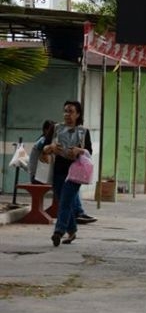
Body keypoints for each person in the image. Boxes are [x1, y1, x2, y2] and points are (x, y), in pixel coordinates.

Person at [43, 101, 93, 246]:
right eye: (65, 111)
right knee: (64, 201)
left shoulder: (84, 132)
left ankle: (58, 231)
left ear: (78, 114)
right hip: (58, 170)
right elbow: (44, 147)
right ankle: (72, 230)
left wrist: (79, 151)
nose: (67, 114)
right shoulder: (56, 128)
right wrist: (51, 147)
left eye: (71, 111)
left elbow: (89, 152)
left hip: (76, 172)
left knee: (65, 201)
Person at [28, 120, 55, 184]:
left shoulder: (42, 140)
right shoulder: (42, 141)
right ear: (46, 130)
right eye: (53, 131)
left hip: (38, 175)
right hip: (37, 177)